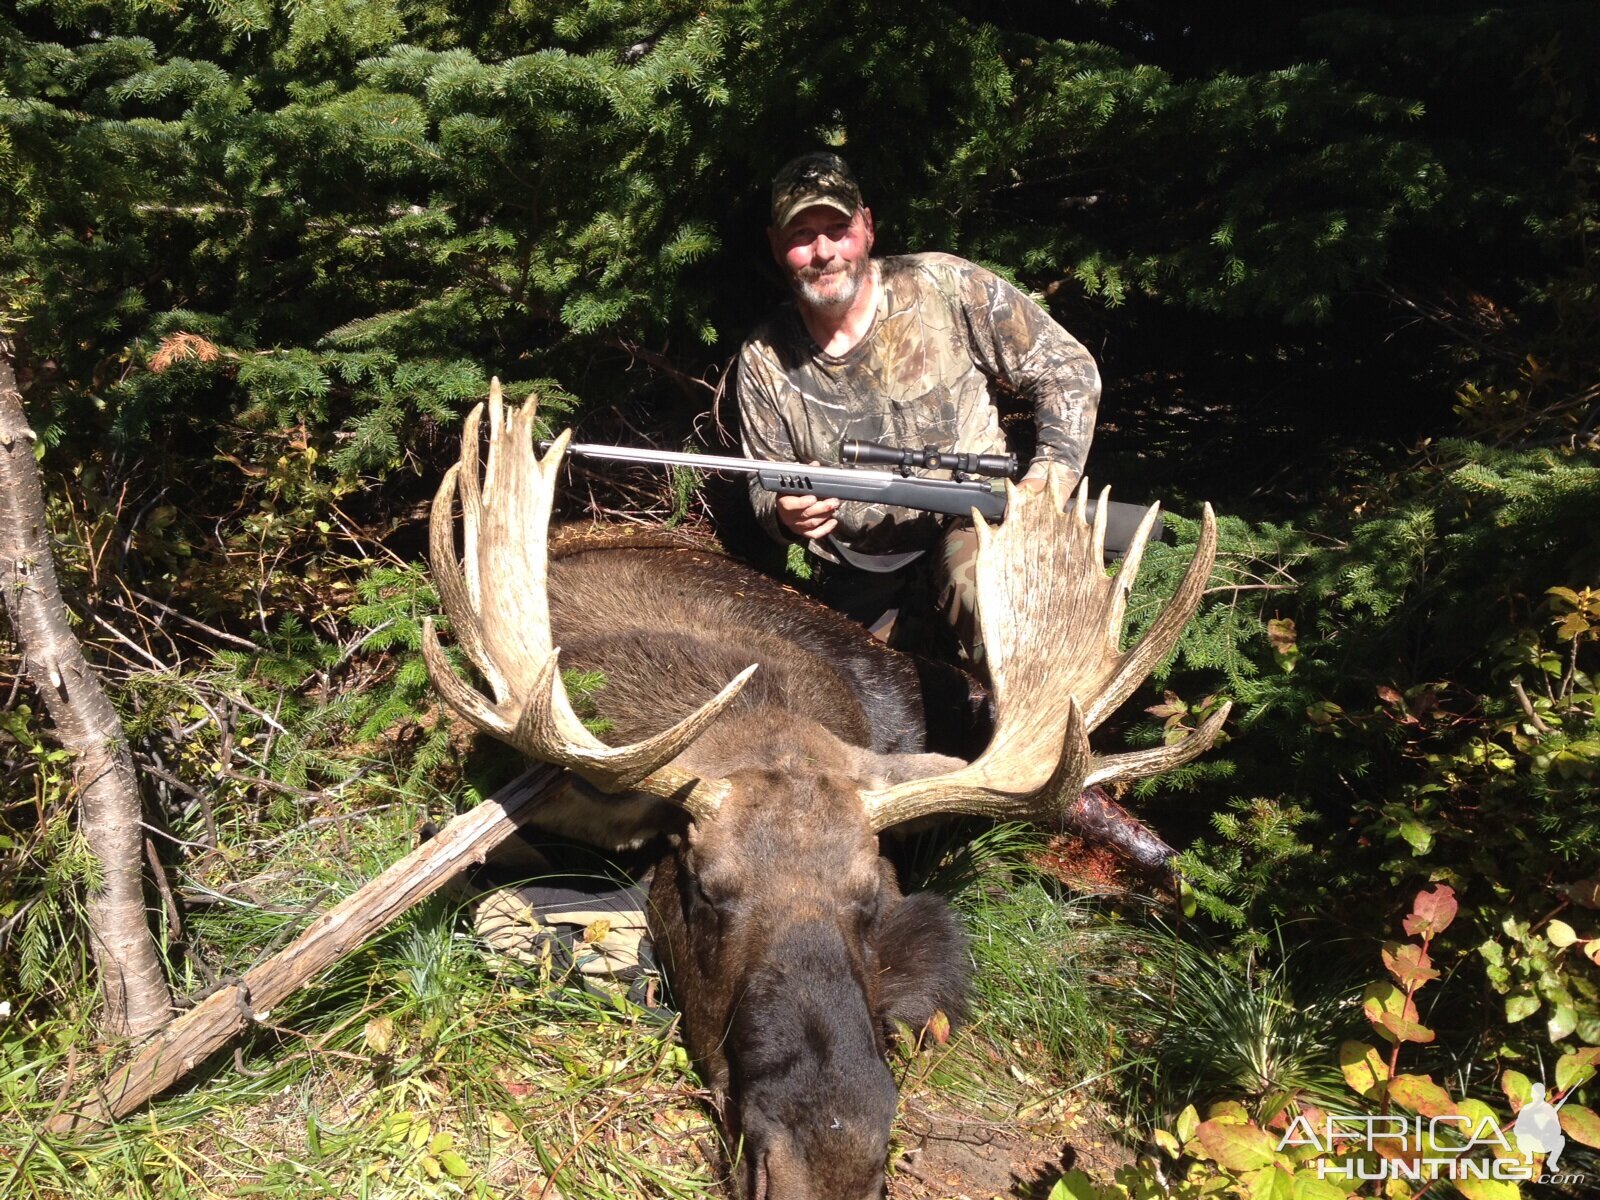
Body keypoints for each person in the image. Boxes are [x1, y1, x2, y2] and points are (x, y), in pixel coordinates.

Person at [736, 152, 1102, 660]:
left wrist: (1047, 480)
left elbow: (1066, 369)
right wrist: (783, 513)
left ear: (866, 227)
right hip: (856, 568)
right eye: (801, 235)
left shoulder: (944, 286)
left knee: (999, 614)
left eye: (838, 228)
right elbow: (762, 478)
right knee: (842, 697)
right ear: (777, 246)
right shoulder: (764, 358)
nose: (823, 251)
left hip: (975, 522)